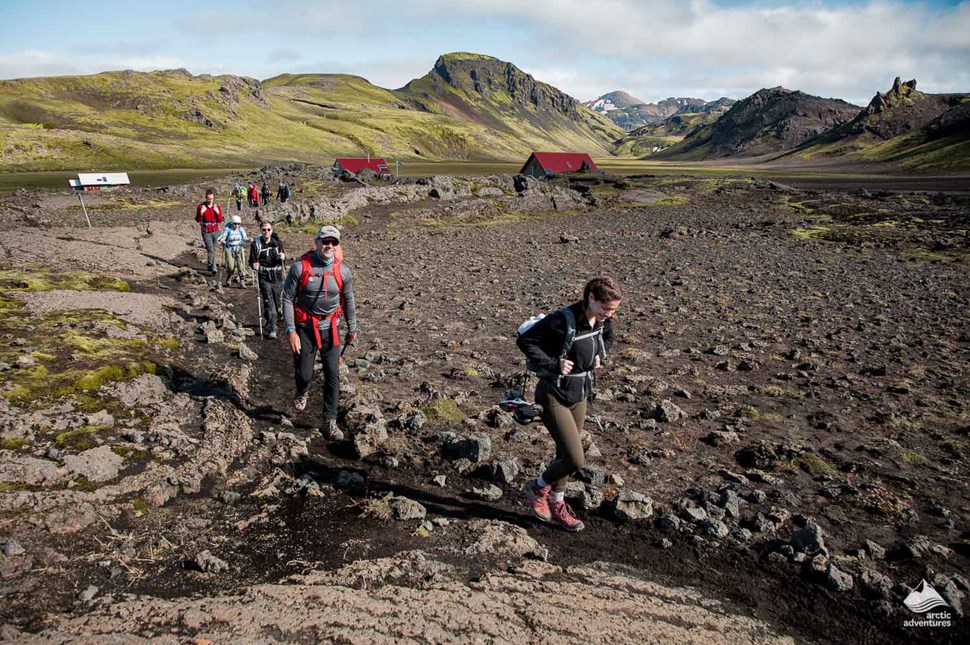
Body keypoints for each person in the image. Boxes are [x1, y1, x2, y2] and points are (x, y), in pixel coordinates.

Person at [516, 277, 622, 532]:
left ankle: (557, 505)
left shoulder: (603, 321)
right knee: (575, 459)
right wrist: (554, 364)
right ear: (591, 299)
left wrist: (600, 355)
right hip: (554, 395)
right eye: (605, 309)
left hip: (580, 395)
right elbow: (526, 341)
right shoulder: (563, 320)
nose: (610, 315)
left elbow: (606, 337)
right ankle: (537, 487)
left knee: (563, 454)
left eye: (614, 310)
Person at [282, 225, 358, 440]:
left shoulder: (343, 271)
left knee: (332, 374)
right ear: (316, 242)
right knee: (305, 374)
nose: (329, 245)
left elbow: (349, 300)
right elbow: (287, 298)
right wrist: (291, 331)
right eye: (325, 241)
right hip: (304, 329)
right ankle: (302, 390)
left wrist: (352, 328)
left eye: (334, 242)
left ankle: (330, 421)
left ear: (338, 245)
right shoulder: (299, 268)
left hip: (331, 330)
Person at [249, 220, 285, 339]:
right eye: (264, 230)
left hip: (277, 276)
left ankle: (269, 321)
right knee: (269, 302)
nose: (266, 232)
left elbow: (282, 258)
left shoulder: (277, 242)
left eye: (268, 229)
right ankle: (273, 328)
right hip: (264, 276)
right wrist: (254, 264)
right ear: (260, 230)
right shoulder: (256, 244)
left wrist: (283, 257)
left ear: (272, 230)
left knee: (277, 302)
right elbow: (252, 260)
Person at [195, 188, 224, 275]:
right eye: (208, 199)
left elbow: (219, 220)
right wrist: (201, 213)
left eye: (211, 199)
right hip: (206, 231)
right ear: (205, 198)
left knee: (213, 250)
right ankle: (213, 268)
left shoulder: (217, 206)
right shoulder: (201, 206)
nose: (210, 201)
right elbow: (197, 220)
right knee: (210, 249)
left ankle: (209, 265)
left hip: (215, 231)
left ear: (213, 198)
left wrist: (217, 212)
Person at [217, 215, 250, 287]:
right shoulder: (228, 229)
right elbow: (223, 238)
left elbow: (244, 238)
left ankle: (242, 281)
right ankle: (229, 277)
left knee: (241, 265)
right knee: (231, 266)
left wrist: (248, 240)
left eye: (238, 224)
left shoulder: (241, 229)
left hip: (239, 248)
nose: (237, 225)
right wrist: (223, 241)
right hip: (229, 248)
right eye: (235, 223)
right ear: (232, 223)